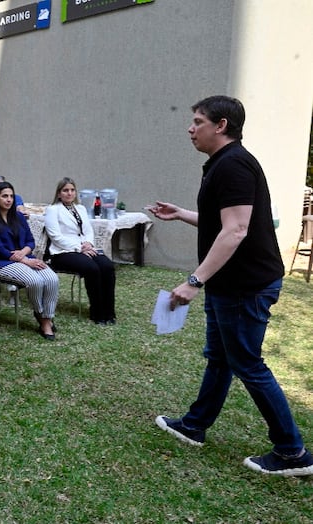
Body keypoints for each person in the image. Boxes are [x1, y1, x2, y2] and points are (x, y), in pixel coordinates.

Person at [149, 95, 313, 477]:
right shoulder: (223, 164)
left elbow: (237, 230)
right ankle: (194, 425)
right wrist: (182, 214)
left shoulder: (234, 164)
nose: (190, 129)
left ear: (221, 125)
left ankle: (293, 452)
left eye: (197, 121)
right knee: (221, 357)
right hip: (230, 285)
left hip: (246, 285)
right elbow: (224, 221)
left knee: (248, 364)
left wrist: (194, 280)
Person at [0, 181, 59, 340]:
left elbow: (30, 241)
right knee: (35, 281)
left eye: (11, 196)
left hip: (25, 257)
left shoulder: (18, 217)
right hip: (2, 262)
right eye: (4, 196)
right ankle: (42, 318)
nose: (9, 200)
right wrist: (25, 260)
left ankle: (48, 315)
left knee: (52, 279)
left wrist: (24, 254)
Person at [44, 177, 116, 325]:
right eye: (65, 190)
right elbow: (56, 237)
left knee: (107, 266)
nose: (69, 193)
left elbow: (88, 230)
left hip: (85, 248)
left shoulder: (81, 208)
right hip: (62, 252)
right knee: (92, 268)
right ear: (59, 194)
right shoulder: (53, 210)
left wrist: (88, 244)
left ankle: (109, 312)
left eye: (72, 190)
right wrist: (79, 248)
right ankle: (97, 312)